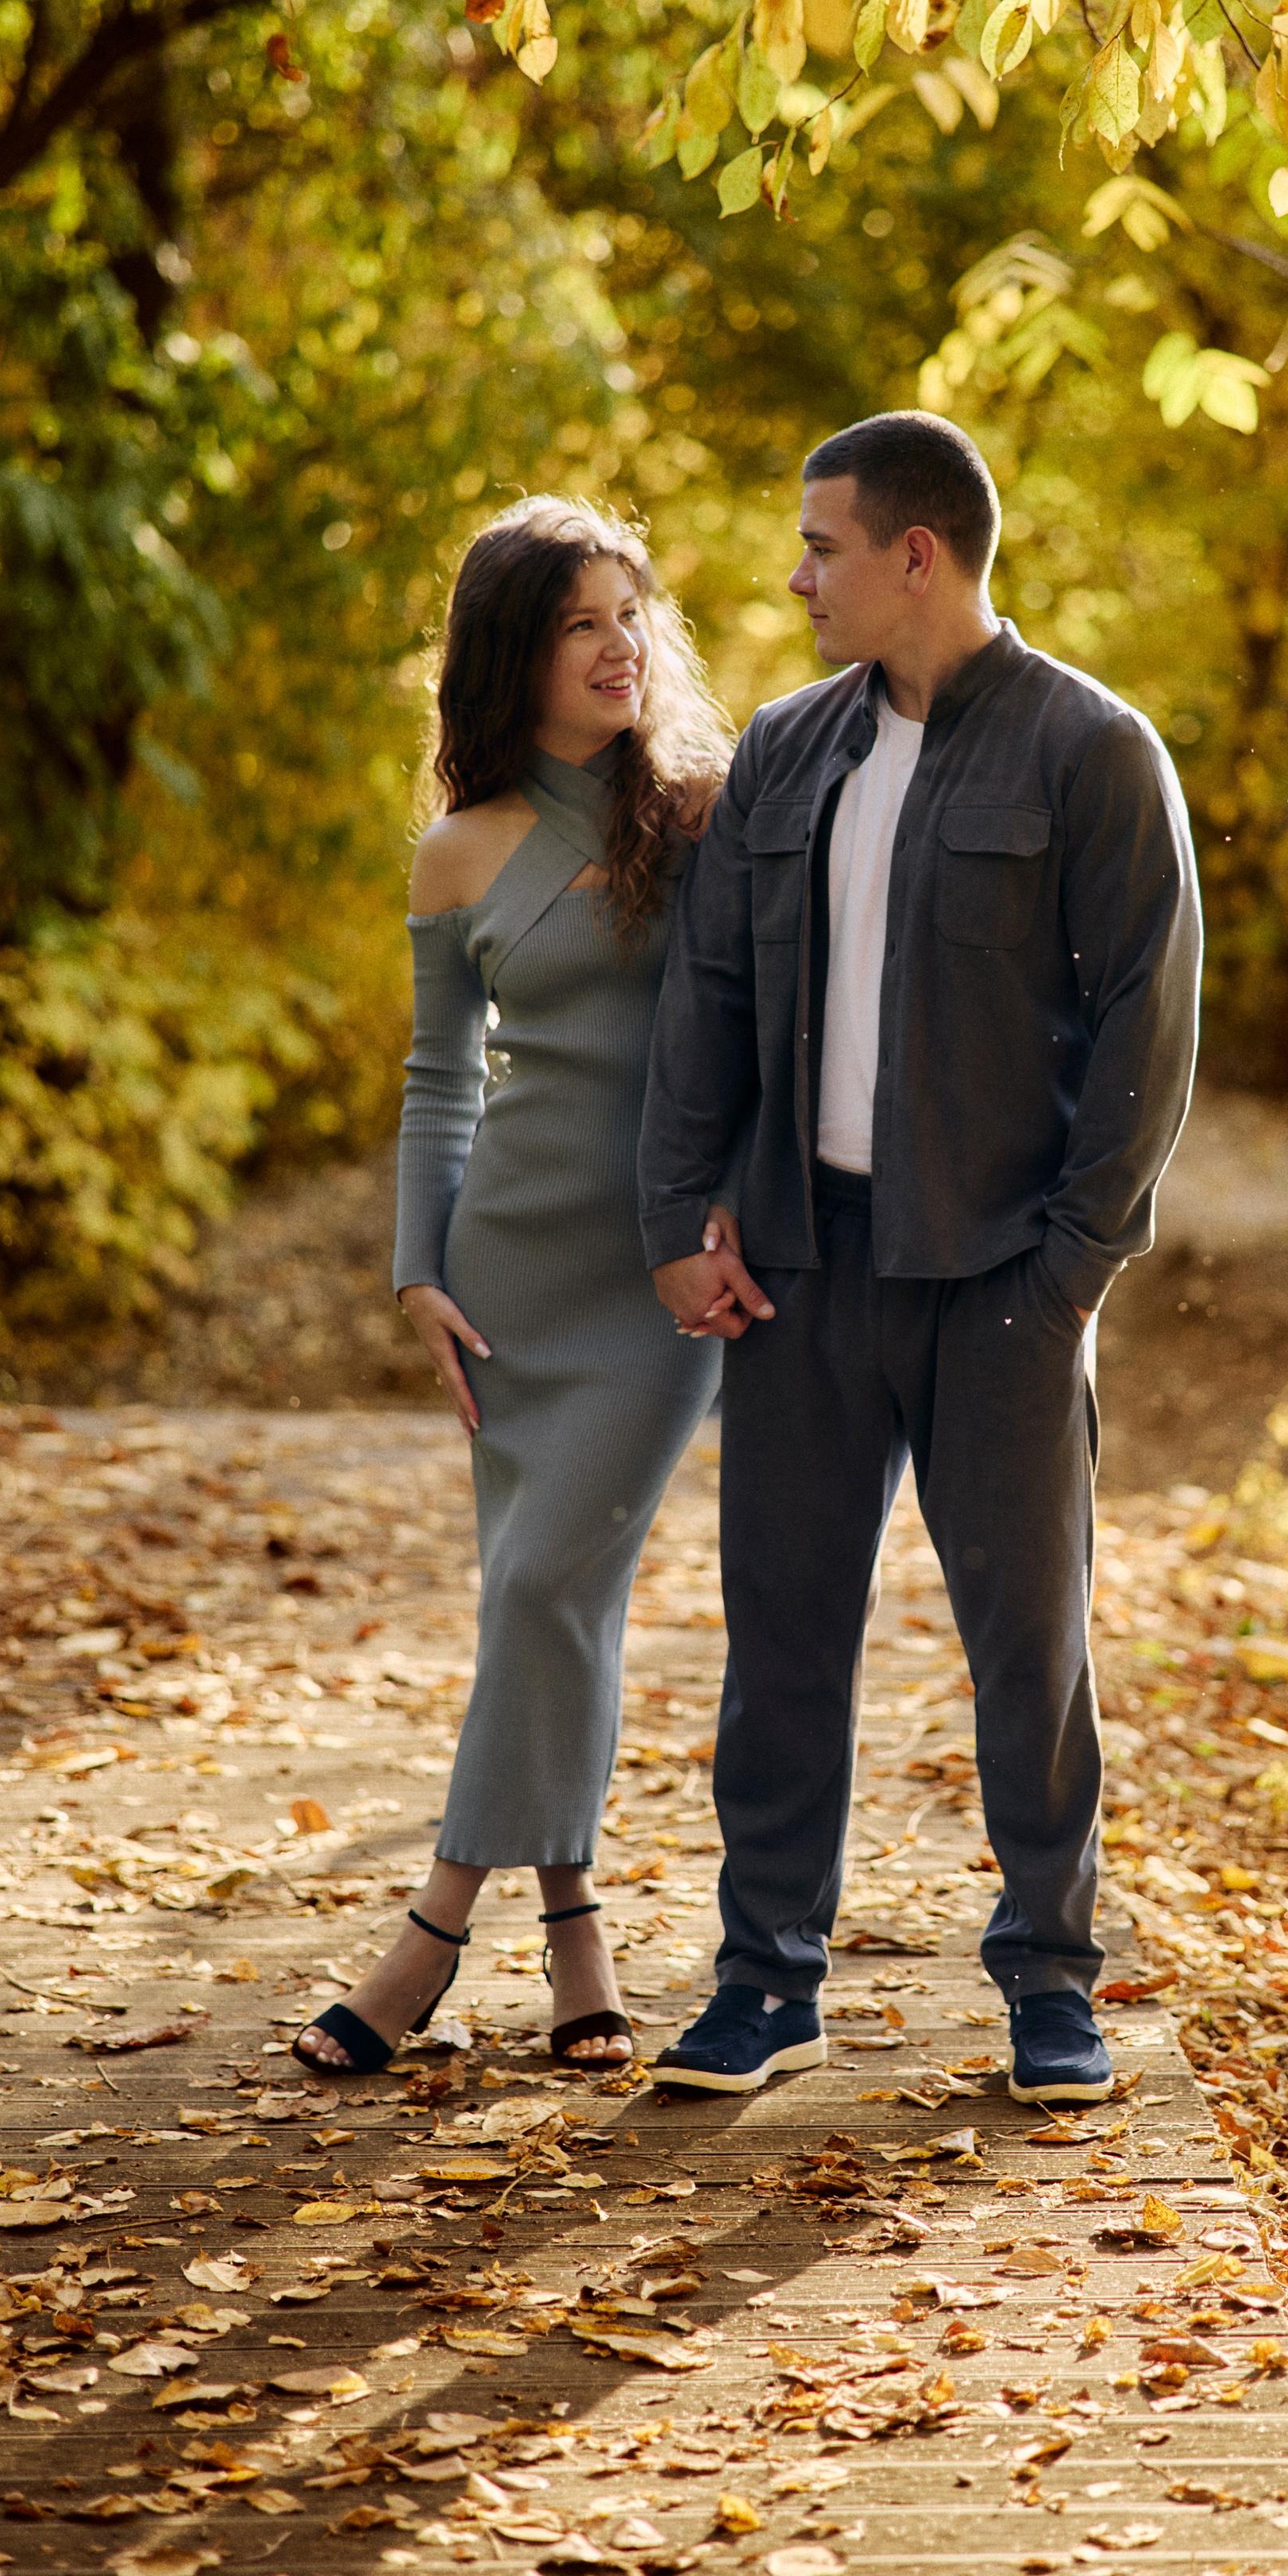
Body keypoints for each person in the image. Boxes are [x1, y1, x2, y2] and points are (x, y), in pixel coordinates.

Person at [637, 411, 1202, 2108]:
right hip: (802, 1273)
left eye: (819, 546)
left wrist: (1073, 1268)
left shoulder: (1091, 752)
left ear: (915, 555)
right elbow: (710, 1001)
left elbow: (1145, 1024)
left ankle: (1046, 1981)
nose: (794, 577)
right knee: (781, 1640)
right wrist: (678, 1221)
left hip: (1002, 1286)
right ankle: (764, 1980)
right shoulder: (786, 755)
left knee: (1029, 1652)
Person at [295, 496, 738, 2077]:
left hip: (657, 1277)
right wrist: (419, 1272)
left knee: (546, 1584)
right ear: (512, 653)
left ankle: (425, 1936)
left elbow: (761, 1032)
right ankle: (578, 1954)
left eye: (631, 614)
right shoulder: (456, 852)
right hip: (505, 1276)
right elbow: (440, 1080)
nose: (620, 644)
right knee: (546, 1603)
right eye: (578, 621)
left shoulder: (700, 814)